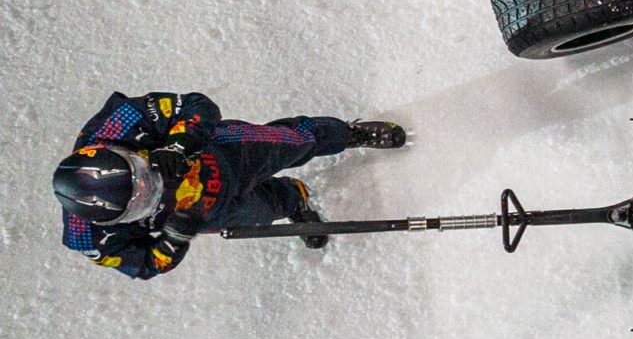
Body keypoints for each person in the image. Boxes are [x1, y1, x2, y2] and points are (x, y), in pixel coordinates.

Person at [53, 90, 405, 280]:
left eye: (143, 176)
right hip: (203, 213)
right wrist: (173, 240)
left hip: (222, 151)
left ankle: (348, 134)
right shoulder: (89, 240)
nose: (152, 191)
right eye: (139, 204)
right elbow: (146, 264)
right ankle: (293, 198)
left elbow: (197, 106)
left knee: (295, 141)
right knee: (264, 210)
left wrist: (179, 144)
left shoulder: (117, 125)